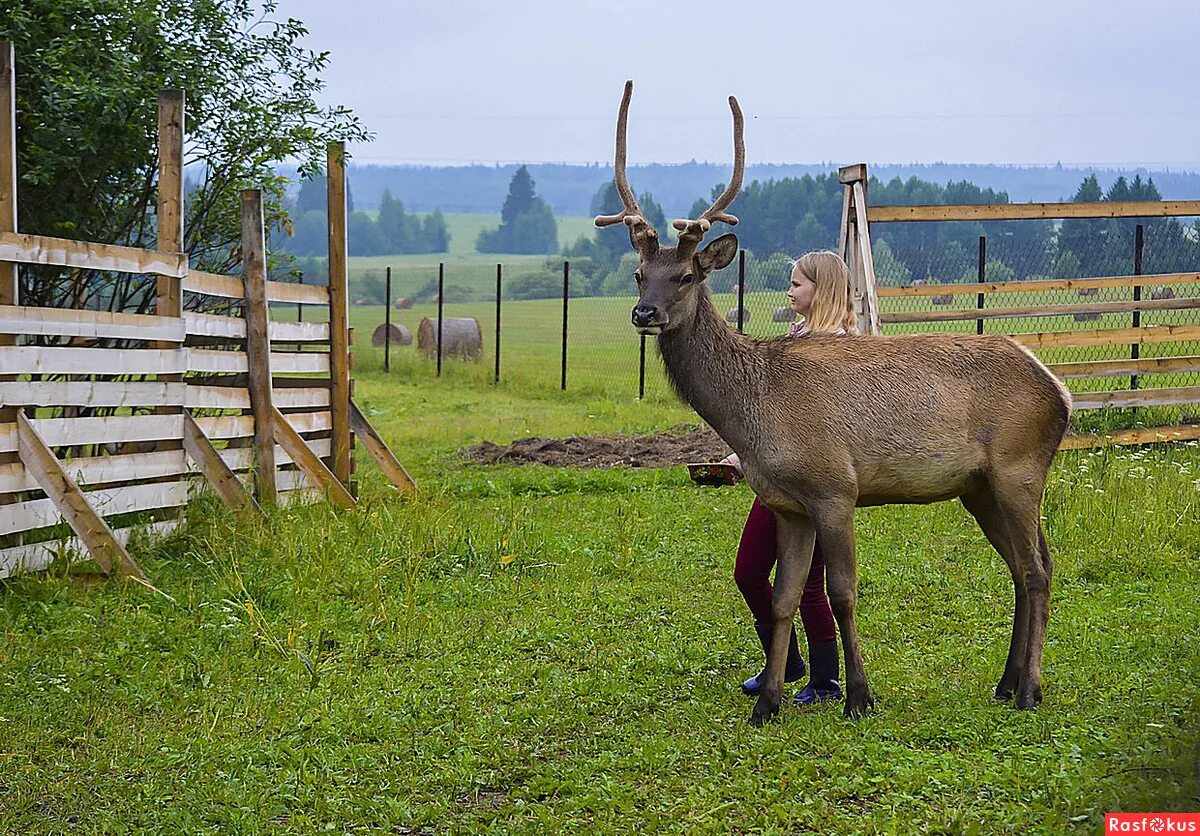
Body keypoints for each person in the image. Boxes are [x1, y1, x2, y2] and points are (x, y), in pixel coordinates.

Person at [721, 251, 858, 706]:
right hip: (779, 475)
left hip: (815, 483)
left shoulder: (839, 351)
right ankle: (786, 662)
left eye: (797, 284)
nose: (789, 291)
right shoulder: (795, 342)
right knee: (749, 572)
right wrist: (743, 455)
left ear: (823, 290)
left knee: (809, 585)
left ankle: (824, 680)